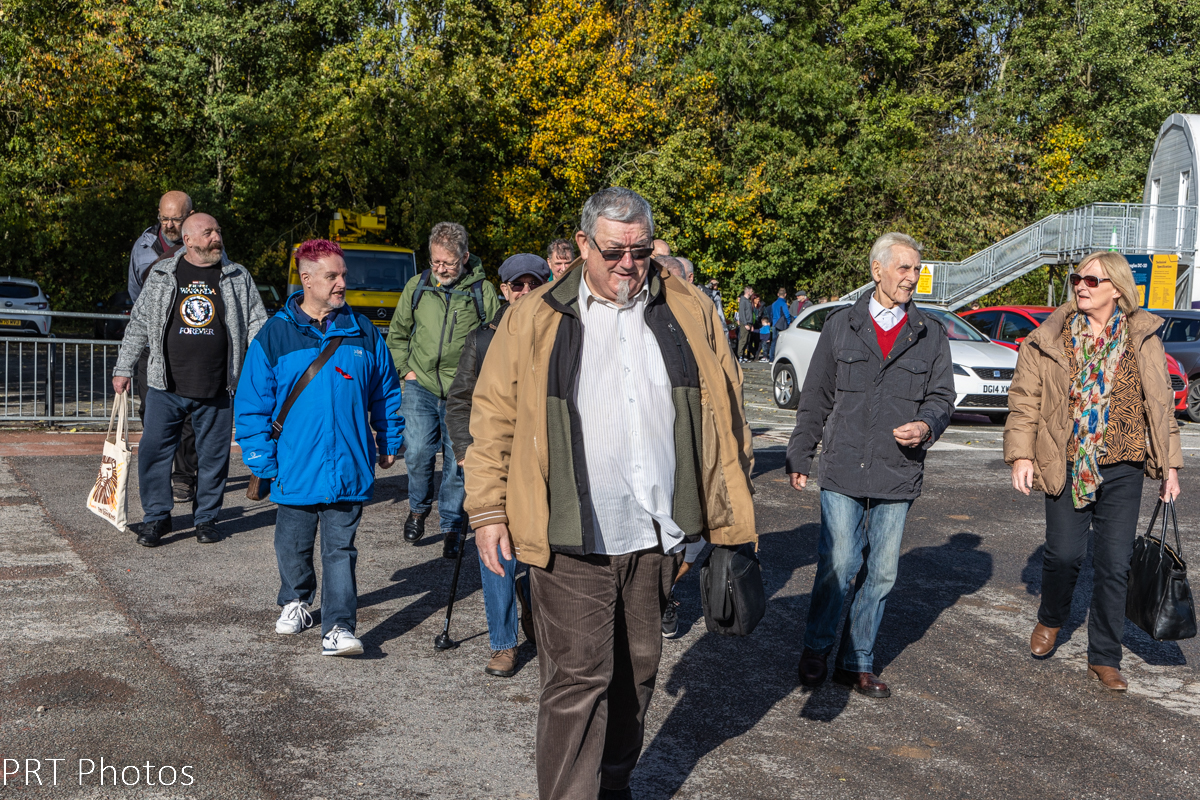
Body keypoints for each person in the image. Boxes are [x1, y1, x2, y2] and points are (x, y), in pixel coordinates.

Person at [464, 187, 756, 800]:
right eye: (614, 251)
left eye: (640, 251)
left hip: (656, 533)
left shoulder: (688, 308)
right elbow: (492, 417)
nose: (629, 264)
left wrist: (728, 512)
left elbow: (727, 410)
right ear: (582, 245)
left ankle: (616, 784)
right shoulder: (535, 315)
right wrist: (488, 510)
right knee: (577, 682)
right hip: (568, 532)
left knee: (637, 676)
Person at [786, 232, 955, 699]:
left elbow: (943, 397)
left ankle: (856, 662)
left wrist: (926, 425)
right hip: (843, 464)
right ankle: (817, 647)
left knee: (881, 572)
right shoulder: (841, 325)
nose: (912, 277)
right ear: (877, 271)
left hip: (897, 469)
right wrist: (801, 451)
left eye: (916, 269)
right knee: (839, 561)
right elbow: (816, 394)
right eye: (904, 267)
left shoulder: (930, 333)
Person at [1005, 251, 1182, 691]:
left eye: (1092, 280)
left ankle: (1104, 657)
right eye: (1077, 279)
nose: (1081, 286)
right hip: (1067, 461)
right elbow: (1025, 401)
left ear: (1117, 289)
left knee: (1115, 565)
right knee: (1064, 554)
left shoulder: (1143, 338)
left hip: (1124, 465)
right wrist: (1021, 456)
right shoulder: (1050, 337)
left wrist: (1170, 467)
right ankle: (1052, 617)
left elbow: (1161, 407)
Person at [235, 239, 404, 657]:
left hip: (349, 465)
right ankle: (296, 600)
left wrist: (389, 439)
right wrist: (260, 457)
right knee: (292, 543)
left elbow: (386, 392)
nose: (342, 282)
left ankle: (339, 627)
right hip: (293, 464)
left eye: (343, 274)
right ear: (306, 279)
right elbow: (252, 403)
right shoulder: (274, 334)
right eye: (332, 276)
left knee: (340, 549)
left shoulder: (364, 331)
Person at [113, 214, 268, 547]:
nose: (216, 237)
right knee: (154, 454)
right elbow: (139, 323)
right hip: (165, 386)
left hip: (218, 386)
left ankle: (206, 518)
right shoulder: (163, 273)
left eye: (218, 231)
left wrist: (266, 371)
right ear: (188, 240)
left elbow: (258, 325)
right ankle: (156, 518)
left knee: (214, 458)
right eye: (208, 232)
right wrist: (123, 368)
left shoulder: (237, 276)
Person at [446, 254, 549, 677]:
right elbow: (459, 401)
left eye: (534, 284)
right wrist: (465, 452)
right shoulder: (482, 339)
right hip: (497, 461)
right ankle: (503, 644)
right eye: (516, 285)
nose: (525, 292)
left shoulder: (561, 331)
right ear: (503, 290)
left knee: (545, 554)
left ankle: (535, 605)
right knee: (497, 550)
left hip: (543, 463)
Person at [387, 222, 500, 558]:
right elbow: (398, 334)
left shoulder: (482, 291)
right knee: (418, 452)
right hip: (420, 384)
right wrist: (405, 370)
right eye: (435, 261)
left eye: (448, 263)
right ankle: (418, 509)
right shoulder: (418, 286)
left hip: (462, 392)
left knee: (457, 461)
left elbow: (495, 342)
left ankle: (452, 524)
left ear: (464, 257)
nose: (440, 269)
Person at [127, 191, 200, 503]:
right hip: (152, 343)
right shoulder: (144, 245)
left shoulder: (207, 242)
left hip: (191, 342)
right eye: (164, 218)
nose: (169, 225)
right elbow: (138, 290)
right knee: (151, 411)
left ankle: (184, 475)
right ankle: (158, 477)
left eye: (176, 219)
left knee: (188, 414)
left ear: (190, 216)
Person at [770, 287, 794, 361]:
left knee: (774, 341)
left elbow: (771, 314)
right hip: (781, 325)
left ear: (778, 294)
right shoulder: (784, 304)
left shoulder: (774, 304)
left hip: (774, 324)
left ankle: (771, 358)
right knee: (782, 342)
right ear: (785, 294)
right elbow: (787, 315)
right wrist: (788, 323)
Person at [737, 285, 755, 362]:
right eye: (751, 291)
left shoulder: (748, 301)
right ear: (748, 292)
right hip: (745, 323)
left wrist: (751, 324)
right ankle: (740, 356)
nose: (752, 293)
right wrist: (745, 324)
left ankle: (743, 356)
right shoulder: (743, 301)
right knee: (743, 340)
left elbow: (750, 313)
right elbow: (742, 314)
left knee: (747, 340)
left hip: (749, 323)